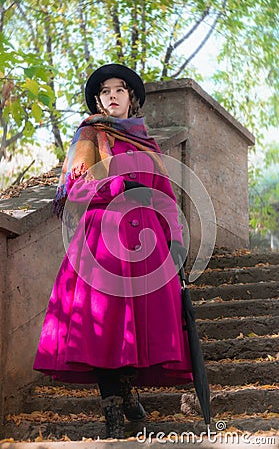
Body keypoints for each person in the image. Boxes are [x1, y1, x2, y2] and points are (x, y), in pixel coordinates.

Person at [33, 63, 193, 439]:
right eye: (105, 91)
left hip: (146, 244)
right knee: (101, 325)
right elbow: (75, 193)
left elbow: (166, 197)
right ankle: (112, 411)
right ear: (99, 100)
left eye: (120, 89)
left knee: (140, 322)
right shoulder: (90, 136)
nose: (112, 96)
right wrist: (116, 182)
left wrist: (176, 242)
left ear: (131, 98)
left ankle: (125, 390)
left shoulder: (148, 143)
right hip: (100, 241)